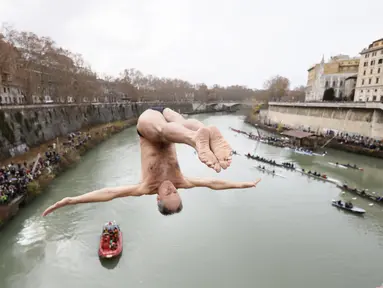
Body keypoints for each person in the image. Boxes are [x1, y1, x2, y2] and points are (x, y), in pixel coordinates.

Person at [42, 107, 261, 217]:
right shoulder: (181, 181)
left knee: (163, 131)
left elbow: (109, 193)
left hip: (148, 125)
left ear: (157, 197)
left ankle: (198, 138)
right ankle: (203, 136)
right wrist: (244, 184)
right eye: (175, 193)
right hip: (169, 118)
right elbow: (214, 184)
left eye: (168, 194)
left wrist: (70, 199)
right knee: (184, 125)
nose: (171, 188)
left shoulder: (144, 187)